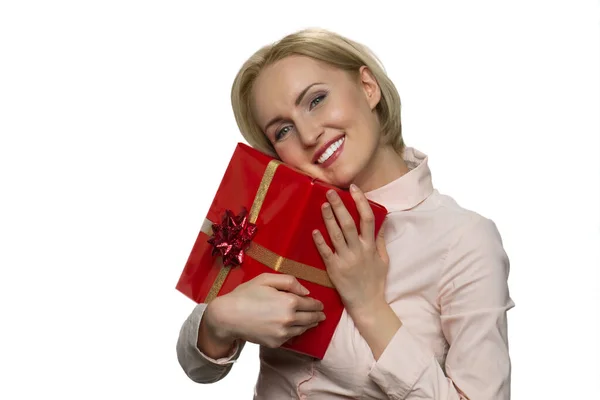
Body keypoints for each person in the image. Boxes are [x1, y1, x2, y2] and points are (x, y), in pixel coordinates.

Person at [176, 28, 514, 399]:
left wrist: (369, 307)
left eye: (316, 100)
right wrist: (218, 322)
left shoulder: (463, 239)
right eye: (283, 130)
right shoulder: (284, 220)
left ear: (368, 87)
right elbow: (199, 367)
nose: (307, 134)